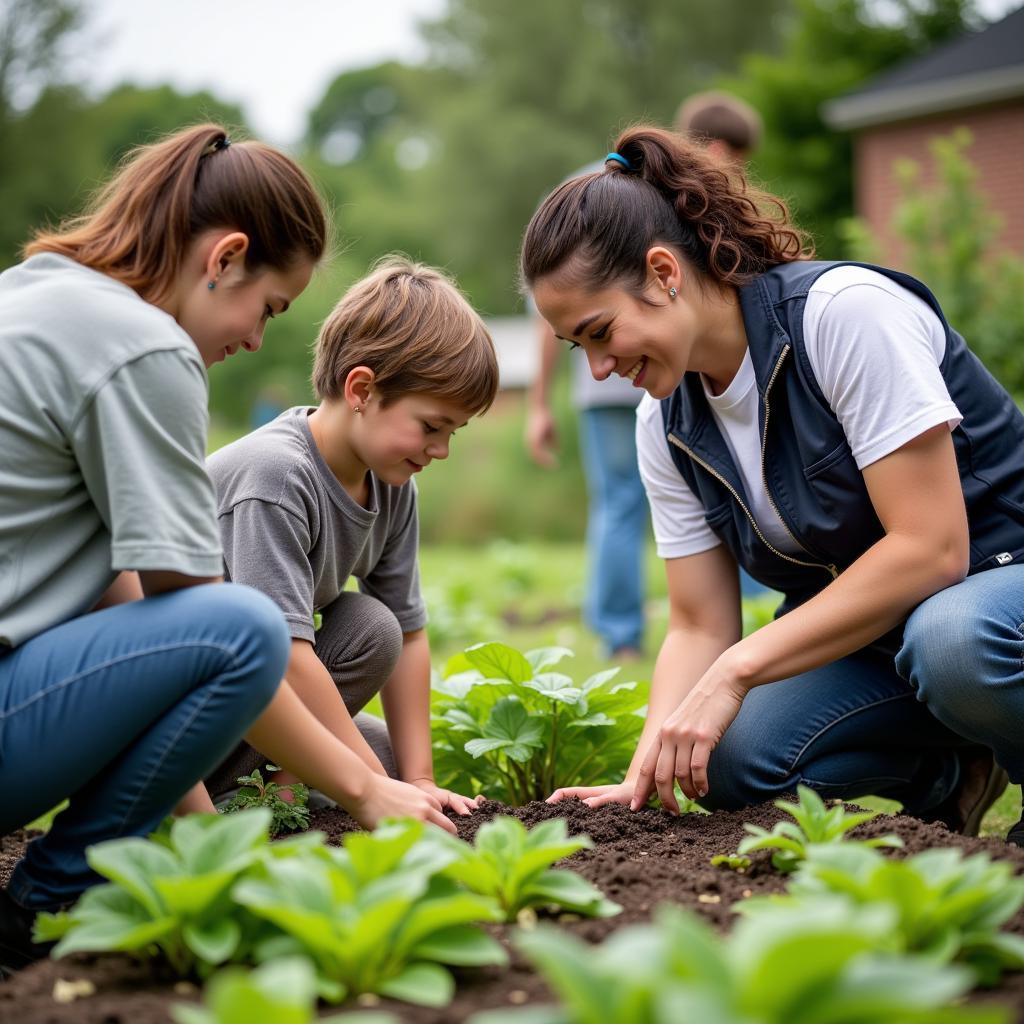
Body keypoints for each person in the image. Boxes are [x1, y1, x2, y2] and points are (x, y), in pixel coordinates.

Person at [0, 125, 450, 978]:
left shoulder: (33, 293)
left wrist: (200, 830)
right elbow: (219, 635)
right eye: (269, 307)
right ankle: (46, 900)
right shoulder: (143, 346)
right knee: (247, 626)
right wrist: (365, 791)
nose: (255, 339)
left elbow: (127, 603)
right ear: (225, 256)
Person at [525, 124, 1023, 843]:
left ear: (664, 272)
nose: (598, 368)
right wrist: (650, 767)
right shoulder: (662, 424)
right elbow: (699, 621)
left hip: (997, 593)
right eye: (579, 347)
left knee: (953, 642)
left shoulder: (843, 315)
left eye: (602, 332)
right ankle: (949, 773)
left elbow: (930, 550)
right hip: (883, 634)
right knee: (722, 759)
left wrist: (737, 671)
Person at [203, 257, 499, 816]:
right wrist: (371, 787)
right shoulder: (276, 475)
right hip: (183, 717)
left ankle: (280, 791)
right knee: (369, 761)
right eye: (431, 426)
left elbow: (408, 634)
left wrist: (418, 778)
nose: (441, 450)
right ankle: (260, 801)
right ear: (361, 388)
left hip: (254, 704)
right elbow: (285, 656)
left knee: (385, 746)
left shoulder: (392, 486)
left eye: (453, 432)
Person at [525, 92, 763, 658]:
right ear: (719, 148)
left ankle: (622, 638)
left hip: (651, 368)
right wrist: (539, 398)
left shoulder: (592, 186)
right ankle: (751, 615)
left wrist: (540, 401)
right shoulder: (650, 202)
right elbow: (553, 310)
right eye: (738, 160)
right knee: (729, 486)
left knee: (622, 502)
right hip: (647, 370)